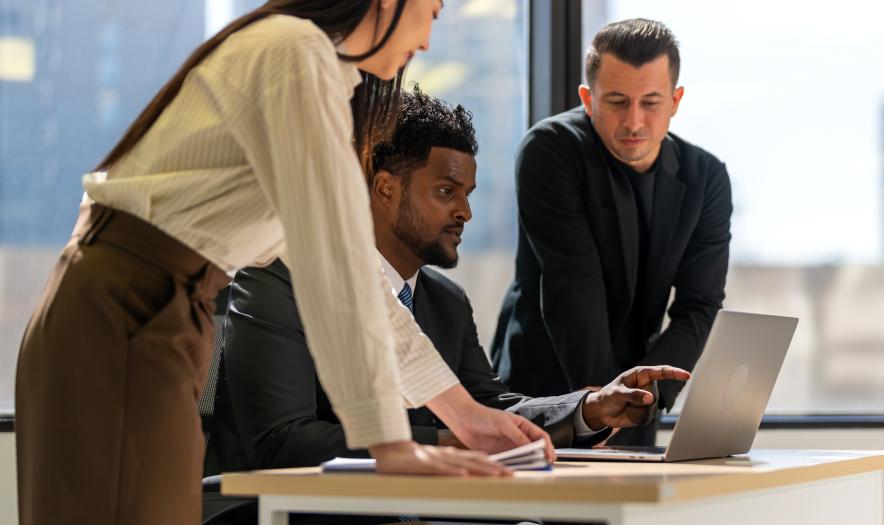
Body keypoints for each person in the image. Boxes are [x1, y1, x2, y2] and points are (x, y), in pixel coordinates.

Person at [15, 2, 546, 523]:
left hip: (158, 309)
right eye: (431, 12)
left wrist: (467, 416)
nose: (429, 39)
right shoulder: (295, 54)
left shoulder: (321, 73)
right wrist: (389, 444)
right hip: (126, 304)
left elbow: (358, 283)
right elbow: (331, 267)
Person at [205, 88, 688, 483]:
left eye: (468, 195)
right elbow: (283, 443)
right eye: (445, 192)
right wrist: (449, 441)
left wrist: (588, 408)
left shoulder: (444, 301)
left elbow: (490, 407)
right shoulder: (276, 280)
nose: (465, 213)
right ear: (385, 188)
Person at [492, 18, 733, 447]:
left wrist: (642, 395)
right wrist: (603, 405)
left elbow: (700, 304)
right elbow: (573, 287)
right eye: (617, 101)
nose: (634, 121)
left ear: (676, 100)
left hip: (639, 399)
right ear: (588, 98)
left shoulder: (706, 178)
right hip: (547, 397)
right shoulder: (550, 150)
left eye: (651, 102)